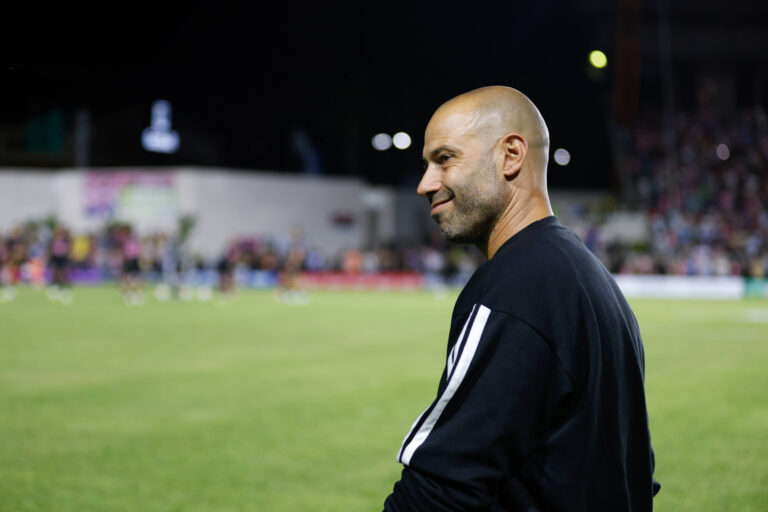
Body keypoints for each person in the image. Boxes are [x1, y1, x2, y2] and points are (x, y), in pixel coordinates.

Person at [383, 86, 660, 511]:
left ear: (511, 154)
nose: (425, 184)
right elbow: (632, 472)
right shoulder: (591, 277)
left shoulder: (516, 285)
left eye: (444, 159)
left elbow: (441, 488)